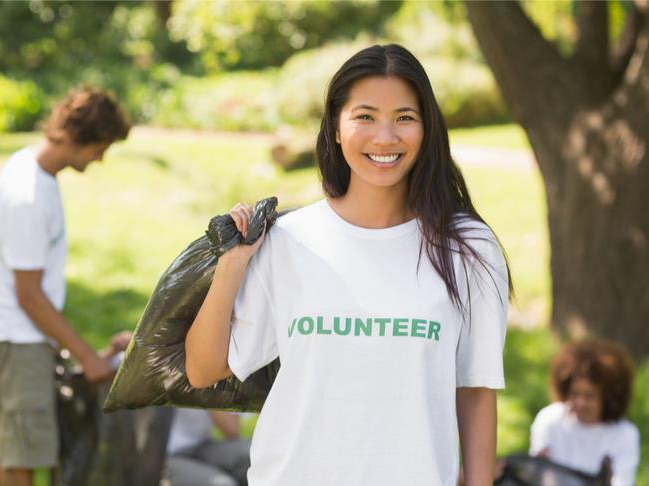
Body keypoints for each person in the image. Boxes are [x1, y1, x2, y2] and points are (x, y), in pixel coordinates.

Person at [185, 44, 512, 485]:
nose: (385, 137)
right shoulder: (288, 240)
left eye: (404, 117)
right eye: (365, 116)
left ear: (427, 129)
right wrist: (232, 265)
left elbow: (475, 391)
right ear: (336, 128)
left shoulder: (467, 248)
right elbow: (204, 370)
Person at [0, 86, 130, 486]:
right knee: (21, 457)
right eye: (101, 146)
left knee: (12, 450)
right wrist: (87, 357)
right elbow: (29, 296)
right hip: (16, 341)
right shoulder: (27, 196)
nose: (101, 157)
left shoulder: (33, 169)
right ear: (82, 137)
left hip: (18, 339)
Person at [529, 338, 640, 486]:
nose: (580, 402)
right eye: (574, 394)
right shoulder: (549, 420)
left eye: (589, 396)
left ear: (609, 397)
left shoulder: (624, 434)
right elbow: (536, 475)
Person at [165, 409, 251, 486]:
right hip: (167, 455)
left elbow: (232, 429)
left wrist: (208, 396)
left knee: (253, 456)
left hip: (203, 446)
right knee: (223, 484)